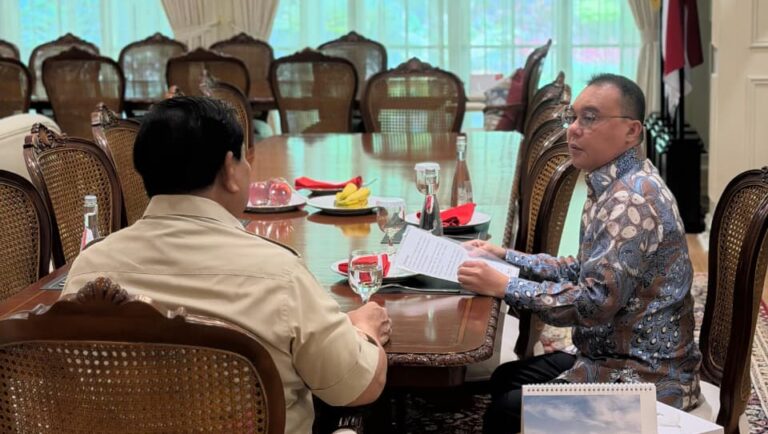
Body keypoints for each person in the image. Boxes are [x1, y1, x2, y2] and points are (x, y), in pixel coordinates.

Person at [62, 96, 391, 434]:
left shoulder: (89, 270)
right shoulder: (278, 275)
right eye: (245, 159)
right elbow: (357, 388)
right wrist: (362, 330)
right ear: (230, 170)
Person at [457, 74, 701, 434]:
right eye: (572, 118)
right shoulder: (612, 182)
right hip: (607, 355)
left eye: (589, 118)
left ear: (631, 132)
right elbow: (582, 269)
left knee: (506, 412)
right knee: (506, 379)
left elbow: (593, 303)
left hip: (645, 379)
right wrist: (506, 256)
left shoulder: (631, 200)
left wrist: (505, 287)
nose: (573, 129)